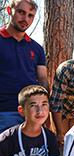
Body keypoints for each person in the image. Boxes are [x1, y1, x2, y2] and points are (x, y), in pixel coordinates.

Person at [0, 85, 62, 156]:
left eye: (44, 104)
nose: (40, 111)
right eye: (33, 105)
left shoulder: (50, 137)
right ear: (21, 110)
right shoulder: (6, 140)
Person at [0, 0, 48, 133]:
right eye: (21, 12)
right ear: (9, 11)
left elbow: (43, 80)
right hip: (4, 112)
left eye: (30, 15)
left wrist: (42, 109)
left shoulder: (37, 49)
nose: (25, 19)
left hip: (31, 114)